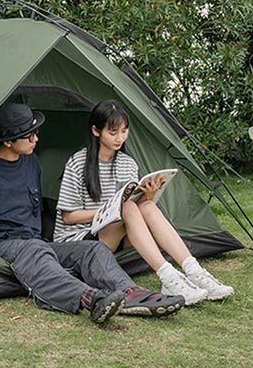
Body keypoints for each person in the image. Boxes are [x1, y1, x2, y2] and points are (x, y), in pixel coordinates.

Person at [0, 103, 184, 323]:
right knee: (37, 252)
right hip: (5, 241)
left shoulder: (31, 161)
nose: (36, 140)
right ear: (8, 141)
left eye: (36, 134)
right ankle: (92, 299)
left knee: (93, 249)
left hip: (37, 239)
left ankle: (131, 293)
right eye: (29, 137)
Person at [53, 99, 234, 304]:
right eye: (113, 132)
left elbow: (132, 208)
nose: (120, 138)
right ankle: (168, 276)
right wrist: (109, 211)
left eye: (124, 131)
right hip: (80, 241)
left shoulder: (127, 163)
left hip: (116, 233)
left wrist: (147, 197)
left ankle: (195, 271)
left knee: (145, 205)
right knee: (127, 207)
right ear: (96, 131)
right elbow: (68, 217)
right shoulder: (78, 162)